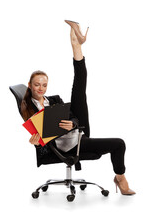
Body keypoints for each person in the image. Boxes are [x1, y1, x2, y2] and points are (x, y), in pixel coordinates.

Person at [21, 20, 135, 195]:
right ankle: (120, 177)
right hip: (68, 146)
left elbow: (72, 115)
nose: (41, 88)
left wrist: (72, 124)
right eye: (37, 85)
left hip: (76, 132)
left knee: (79, 88)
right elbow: (42, 144)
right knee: (119, 144)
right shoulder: (29, 110)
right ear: (30, 85)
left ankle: (76, 44)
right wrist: (36, 144)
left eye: (44, 85)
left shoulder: (54, 99)